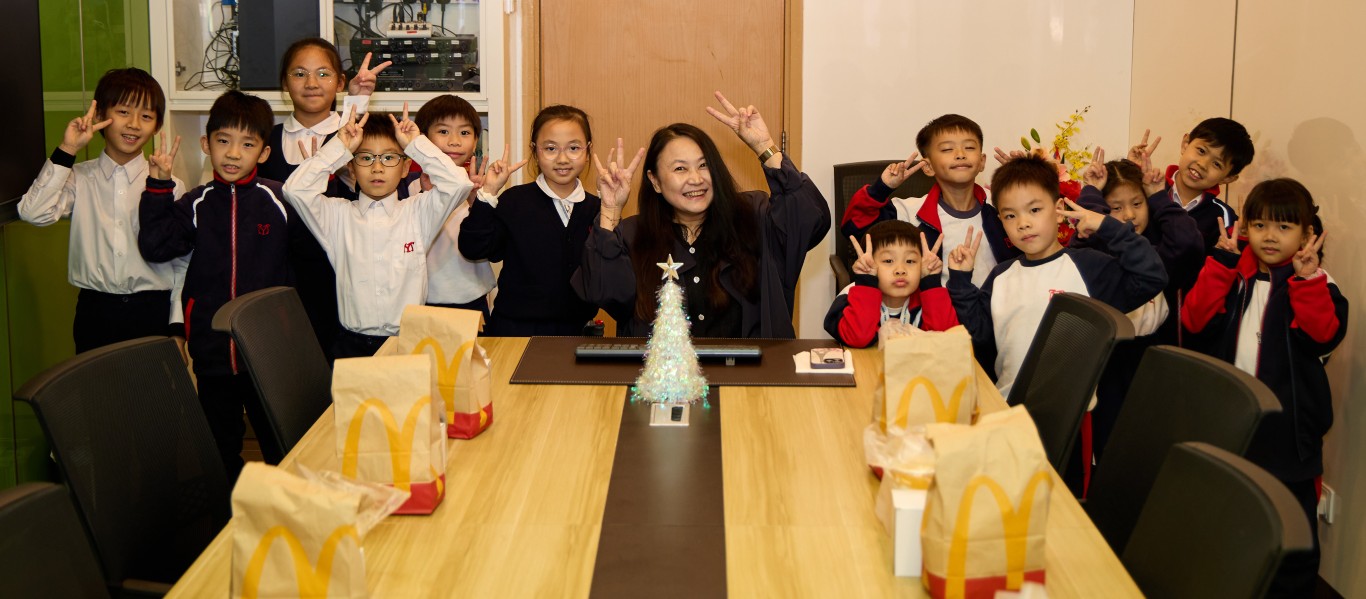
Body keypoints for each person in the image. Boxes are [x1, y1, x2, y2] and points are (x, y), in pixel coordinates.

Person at [1180, 179, 1347, 597]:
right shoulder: (1233, 275)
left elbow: (1322, 336)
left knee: (1292, 537)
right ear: (1245, 228)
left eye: (1284, 227)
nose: (1269, 236)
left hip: (1288, 440)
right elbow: (1194, 323)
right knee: (1224, 522)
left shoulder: (1319, 287)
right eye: (1259, 225)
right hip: (1231, 427)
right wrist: (1220, 265)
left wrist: (1306, 282)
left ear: (1308, 235)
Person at [576, 92, 830, 338]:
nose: (696, 179)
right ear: (655, 181)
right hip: (663, 369)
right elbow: (604, 292)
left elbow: (810, 220)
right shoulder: (634, 235)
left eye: (703, 165)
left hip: (752, 366)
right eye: (680, 169)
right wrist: (610, 210)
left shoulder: (753, 215)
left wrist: (765, 148)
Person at [137, 90, 295, 480]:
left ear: (263, 152)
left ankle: (281, 508)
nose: (233, 153)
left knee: (282, 446)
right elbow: (156, 247)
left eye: (247, 144)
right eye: (223, 141)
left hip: (268, 352)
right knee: (219, 450)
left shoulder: (279, 201)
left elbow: (312, 259)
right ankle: (228, 512)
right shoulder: (196, 203)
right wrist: (158, 187)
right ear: (206, 144)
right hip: (212, 354)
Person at [946, 155, 1167, 398]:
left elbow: (1151, 277)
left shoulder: (1087, 266)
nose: (1023, 223)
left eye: (1034, 210)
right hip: (1009, 405)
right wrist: (960, 280)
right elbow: (979, 335)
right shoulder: (1001, 276)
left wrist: (1107, 226)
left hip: (1071, 411)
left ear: (1059, 209)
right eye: (1010, 215)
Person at [283, 105, 477, 358]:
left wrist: (415, 144)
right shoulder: (336, 215)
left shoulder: (418, 212)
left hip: (408, 345)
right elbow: (294, 190)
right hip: (351, 346)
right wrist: (339, 147)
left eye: (389, 158)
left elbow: (459, 184)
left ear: (406, 168)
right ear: (351, 168)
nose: (377, 168)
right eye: (365, 158)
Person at [18, 68, 187, 352]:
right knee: (96, 384)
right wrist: (67, 149)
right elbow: (33, 212)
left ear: (157, 126)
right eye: (123, 112)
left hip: (152, 312)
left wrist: (177, 327)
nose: (134, 124)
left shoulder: (171, 185)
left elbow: (181, 263)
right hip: (95, 313)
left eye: (146, 116)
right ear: (99, 115)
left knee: (150, 384)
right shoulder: (78, 177)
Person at [259, 38, 390, 360]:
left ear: (340, 83)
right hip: (279, 273)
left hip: (341, 273)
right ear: (284, 83)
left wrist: (357, 101)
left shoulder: (355, 136)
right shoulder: (266, 140)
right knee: (285, 364)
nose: (311, 83)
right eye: (299, 74)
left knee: (339, 365)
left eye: (323, 74)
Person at [1072, 149, 1203, 460]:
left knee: (1151, 444)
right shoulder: (1097, 255)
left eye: (1137, 203)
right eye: (1116, 208)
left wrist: (1158, 197)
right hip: (1108, 361)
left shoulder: (1157, 255)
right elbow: (1083, 237)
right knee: (1108, 445)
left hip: (1155, 358)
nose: (1129, 216)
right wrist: (1091, 195)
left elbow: (1188, 242)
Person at [458, 105, 601, 336]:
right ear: (535, 150)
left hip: (576, 332)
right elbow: (474, 249)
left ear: (588, 150)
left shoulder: (597, 208)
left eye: (573, 148)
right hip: (513, 330)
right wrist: (488, 193)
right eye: (551, 148)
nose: (562, 158)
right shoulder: (514, 201)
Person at [840, 114, 1018, 288]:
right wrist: (881, 188)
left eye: (969, 147)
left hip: (999, 303)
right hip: (934, 305)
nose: (960, 154)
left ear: (982, 161)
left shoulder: (1004, 205)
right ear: (928, 166)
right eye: (947, 149)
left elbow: (1035, 239)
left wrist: (1024, 181)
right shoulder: (908, 212)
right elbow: (853, 228)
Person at [410, 95, 496, 314]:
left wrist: (477, 202)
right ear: (422, 139)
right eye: (443, 131)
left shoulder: (480, 189)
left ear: (476, 141)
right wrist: (426, 195)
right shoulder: (409, 189)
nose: (454, 141)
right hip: (420, 300)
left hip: (472, 298)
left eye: (464, 133)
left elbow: (491, 245)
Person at [823, 220, 957, 348]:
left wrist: (931, 283)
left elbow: (946, 340)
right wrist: (866, 282)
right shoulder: (850, 296)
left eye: (910, 261)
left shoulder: (932, 296)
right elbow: (858, 338)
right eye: (888, 261)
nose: (900, 270)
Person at [1131, 121, 1254, 255]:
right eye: (1201, 151)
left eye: (1217, 164)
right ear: (1185, 144)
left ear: (1227, 178)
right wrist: (1131, 170)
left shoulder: (1224, 218)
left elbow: (1232, 261)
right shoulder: (1147, 189)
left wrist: (1241, 240)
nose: (1202, 164)